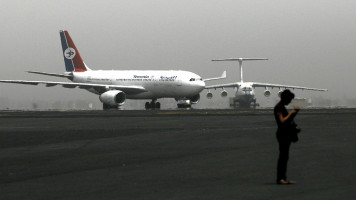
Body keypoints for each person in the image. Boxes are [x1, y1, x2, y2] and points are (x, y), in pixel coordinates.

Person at [274, 89, 300, 185]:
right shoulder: (278, 108)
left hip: (286, 134)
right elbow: (283, 121)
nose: (290, 102)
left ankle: (283, 178)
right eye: (289, 99)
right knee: (283, 156)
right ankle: (280, 178)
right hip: (282, 134)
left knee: (285, 157)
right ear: (285, 98)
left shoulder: (282, 107)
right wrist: (293, 113)